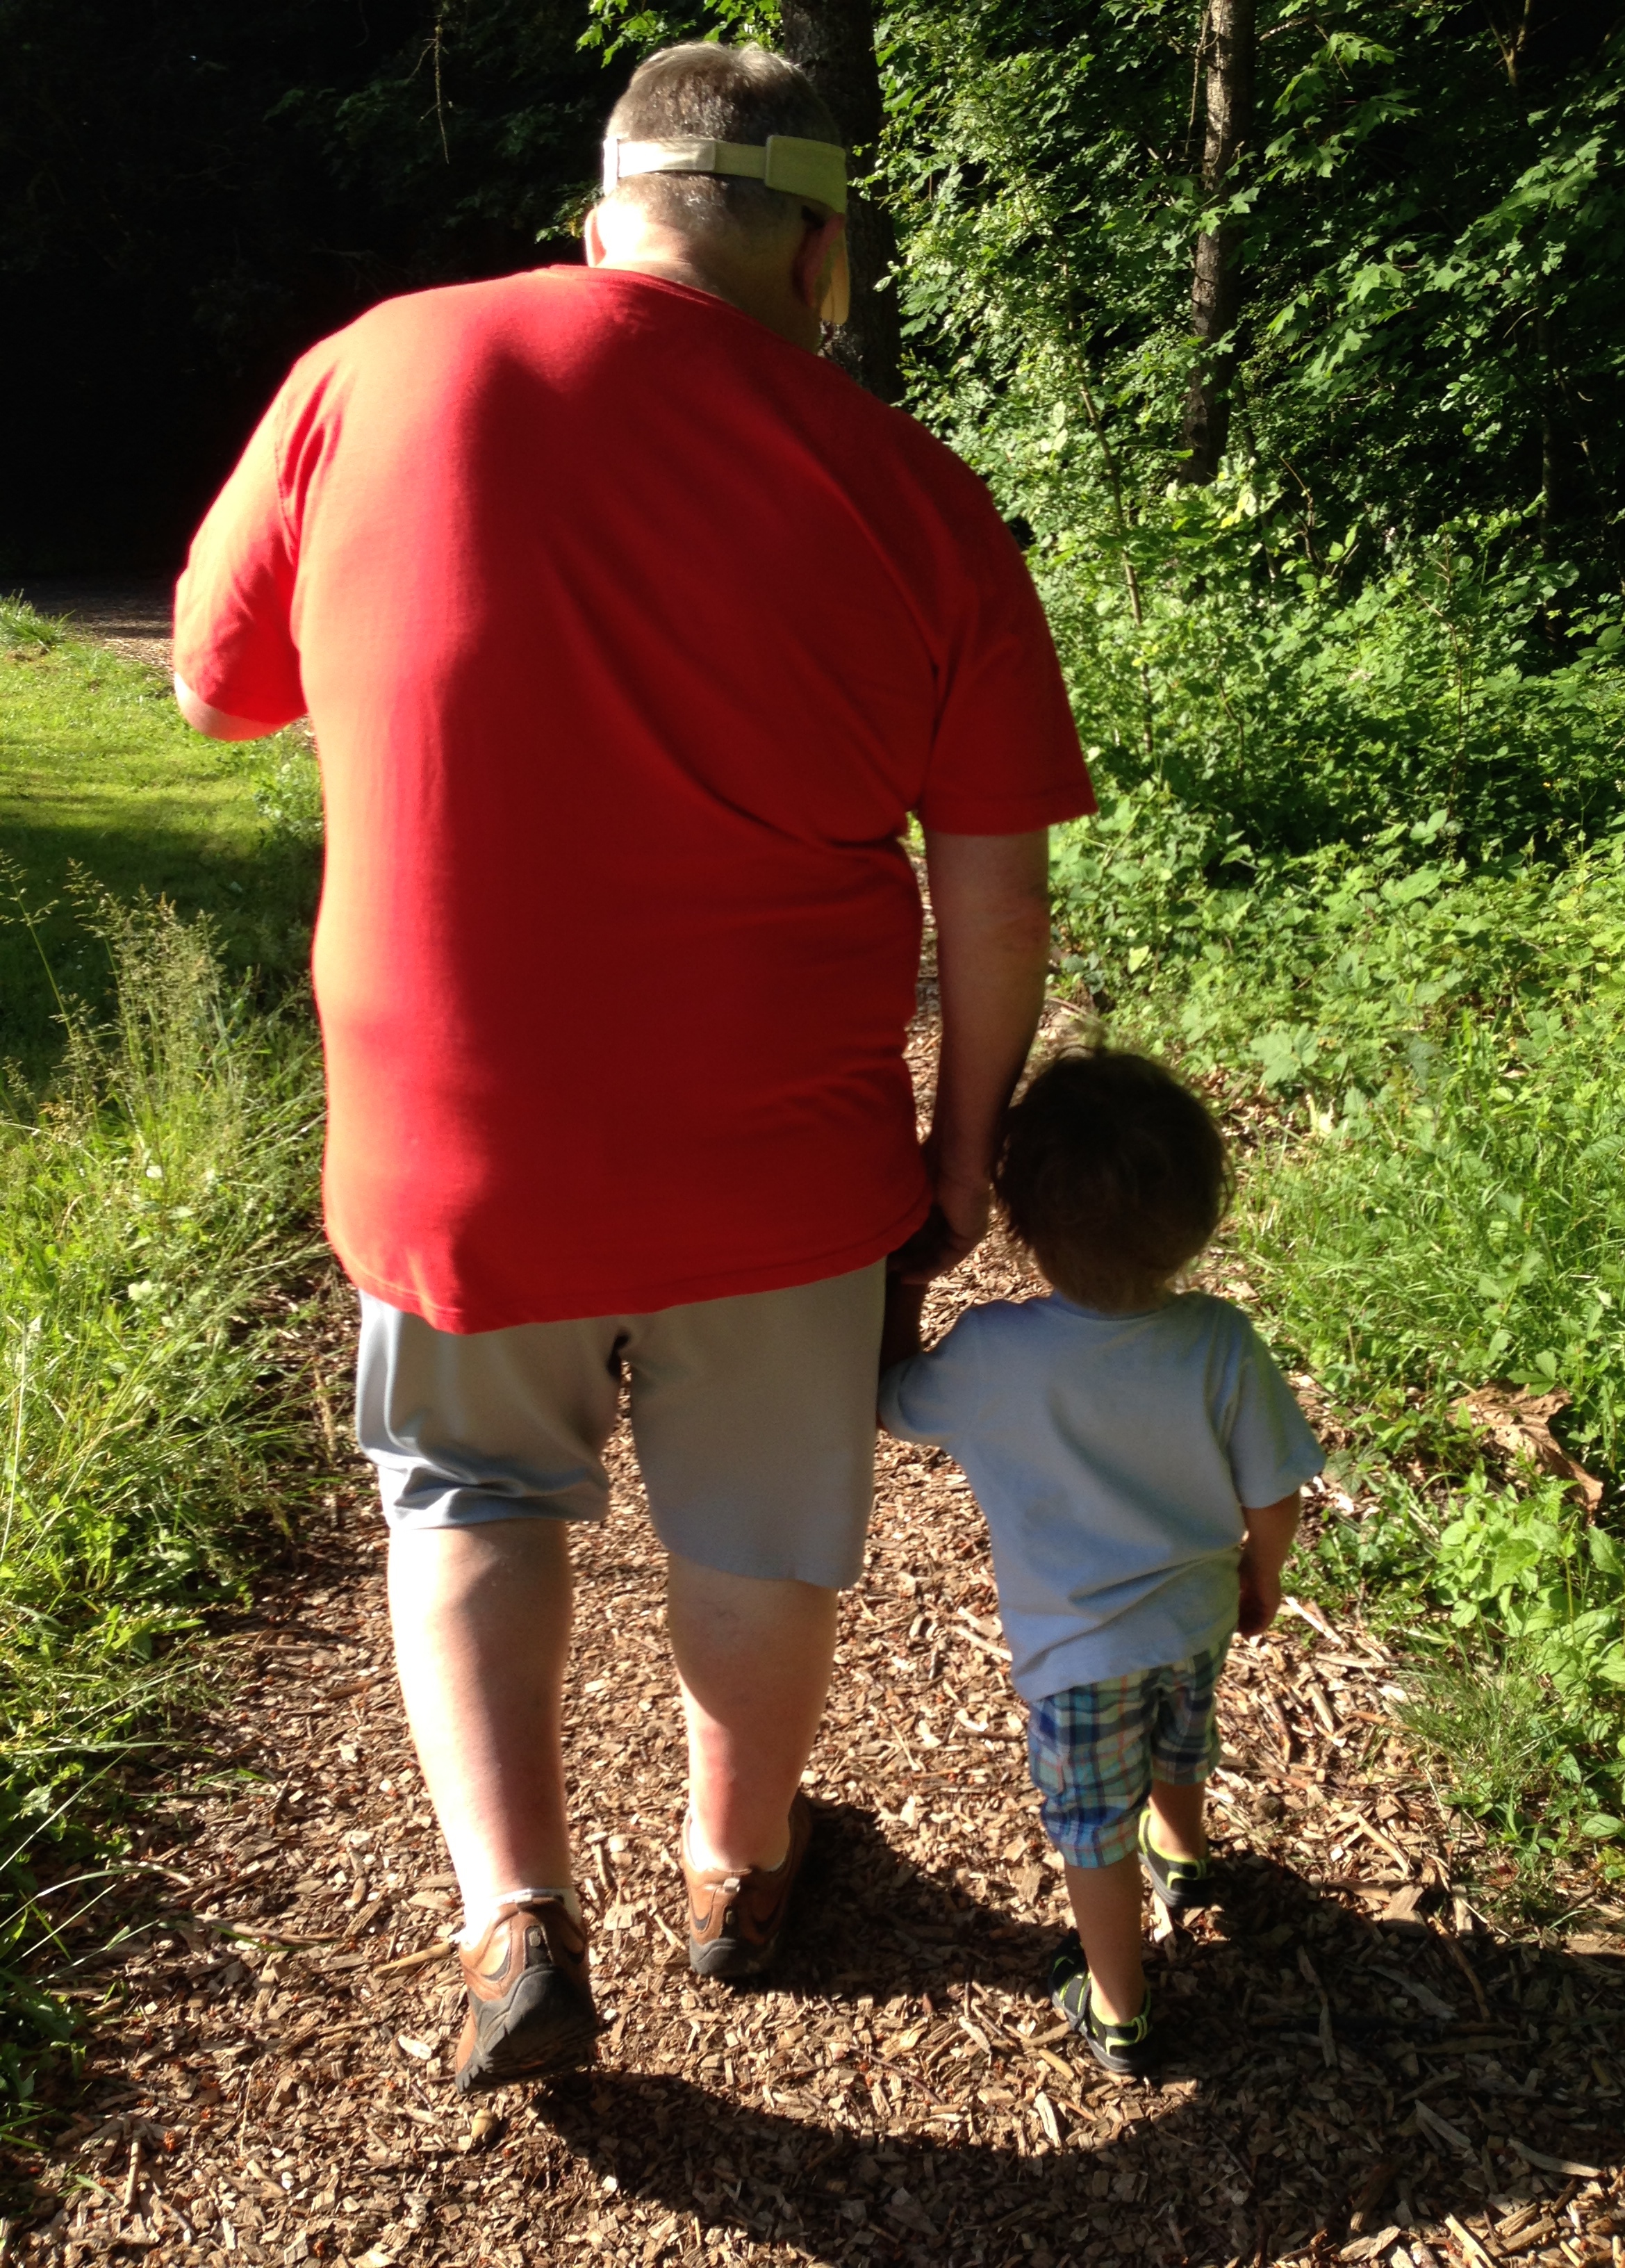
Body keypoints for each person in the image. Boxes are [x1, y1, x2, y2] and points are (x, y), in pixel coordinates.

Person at [171, 40, 1094, 2094]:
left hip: (450, 1140)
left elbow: (220, 683)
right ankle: (735, 1871)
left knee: (475, 1490)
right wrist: (958, 1158)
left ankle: (518, 1922)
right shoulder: (920, 490)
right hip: (781, 1145)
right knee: (760, 1519)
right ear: (819, 247)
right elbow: (995, 897)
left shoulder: (379, 366)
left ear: (610, 207)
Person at [878, 1049, 1322, 2075]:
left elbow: (892, 1399)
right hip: (1198, 1612)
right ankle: (1189, 1855)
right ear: (1200, 1216)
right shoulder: (1220, 1339)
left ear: (1024, 1223)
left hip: (1078, 1654)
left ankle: (1118, 2004)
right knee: (1182, 1734)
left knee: (1090, 1827)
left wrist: (905, 1281)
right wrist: (1264, 1574)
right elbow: (1274, 1490)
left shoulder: (994, 1352)